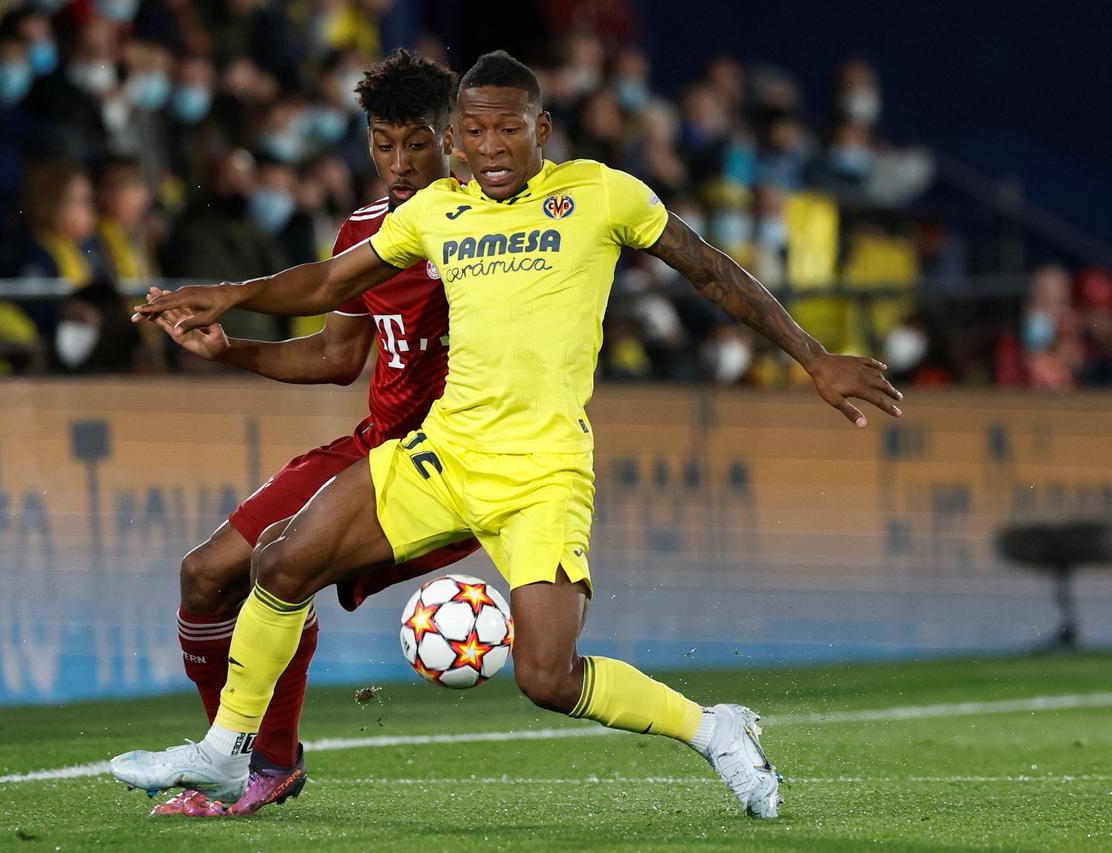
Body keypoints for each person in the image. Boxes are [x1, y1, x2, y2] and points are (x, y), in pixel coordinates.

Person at [114, 50, 903, 821]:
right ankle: (230, 748)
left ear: (542, 129)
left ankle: (713, 728)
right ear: (456, 141)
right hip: (442, 454)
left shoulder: (600, 194)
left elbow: (708, 268)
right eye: (475, 133)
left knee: (547, 677)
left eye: (508, 131)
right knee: (281, 560)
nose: (491, 148)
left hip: (544, 474)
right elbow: (327, 284)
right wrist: (228, 294)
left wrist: (812, 355)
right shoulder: (434, 212)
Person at [141, 48, 478, 818]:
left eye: (417, 142)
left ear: (452, 137)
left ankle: (270, 760)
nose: (399, 161)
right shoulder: (364, 229)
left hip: (448, 461)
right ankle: (239, 760)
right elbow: (336, 356)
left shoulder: (490, 228)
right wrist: (233, 351)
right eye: (383, 143)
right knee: (203, 574)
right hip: (373, 440)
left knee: (278, 564)